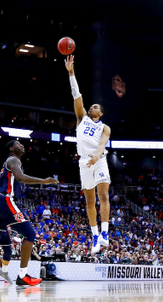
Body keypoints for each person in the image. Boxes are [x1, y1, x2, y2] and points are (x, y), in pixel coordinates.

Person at [0, 140, 58, 286]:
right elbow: (20, 177)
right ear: (11, 148)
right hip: (4, 200)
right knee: (30, 234)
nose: (22, 146)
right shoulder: (13, 159)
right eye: (18, 144)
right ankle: (23, 275)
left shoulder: (12, 162)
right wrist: (44, 181)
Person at [65, 55, 112, 254]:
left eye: (95, 107)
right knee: (90, 201)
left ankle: (105, 233)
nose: (92, 107)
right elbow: (76, 95)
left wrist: (97, 156)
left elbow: (102, 145)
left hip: (99, 160)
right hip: (84, 162)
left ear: (100, 113)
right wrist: (71, 72)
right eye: (91, 106)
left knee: (103, 195)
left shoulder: (105, 127)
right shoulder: (81, 118)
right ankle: (94, 236)